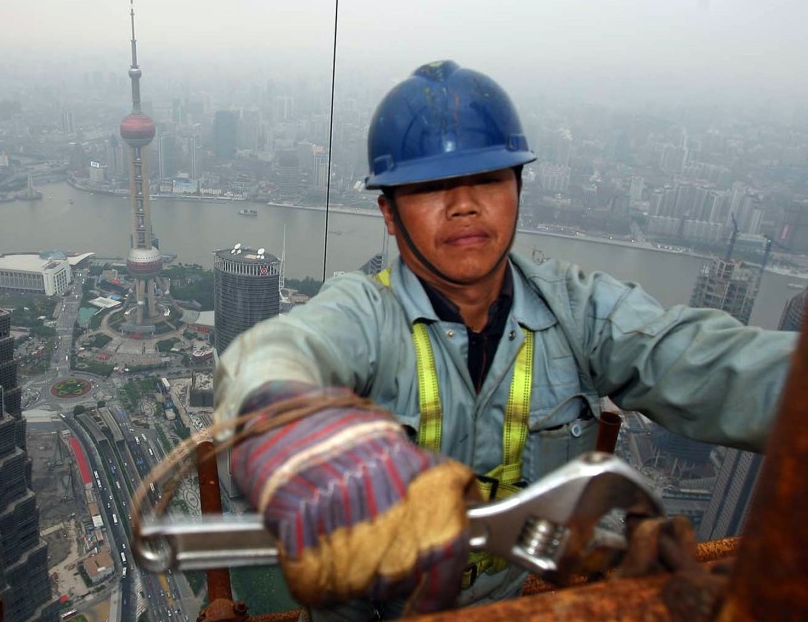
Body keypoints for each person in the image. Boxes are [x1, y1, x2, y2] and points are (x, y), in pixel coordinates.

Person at [213, 60, 795, 619]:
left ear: (518, 188)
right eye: (431, 186)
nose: (464, 205)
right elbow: (275, 358)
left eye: (489, 180)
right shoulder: (365, 311)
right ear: (389, 214)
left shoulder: (579, 313)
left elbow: (714, 365)